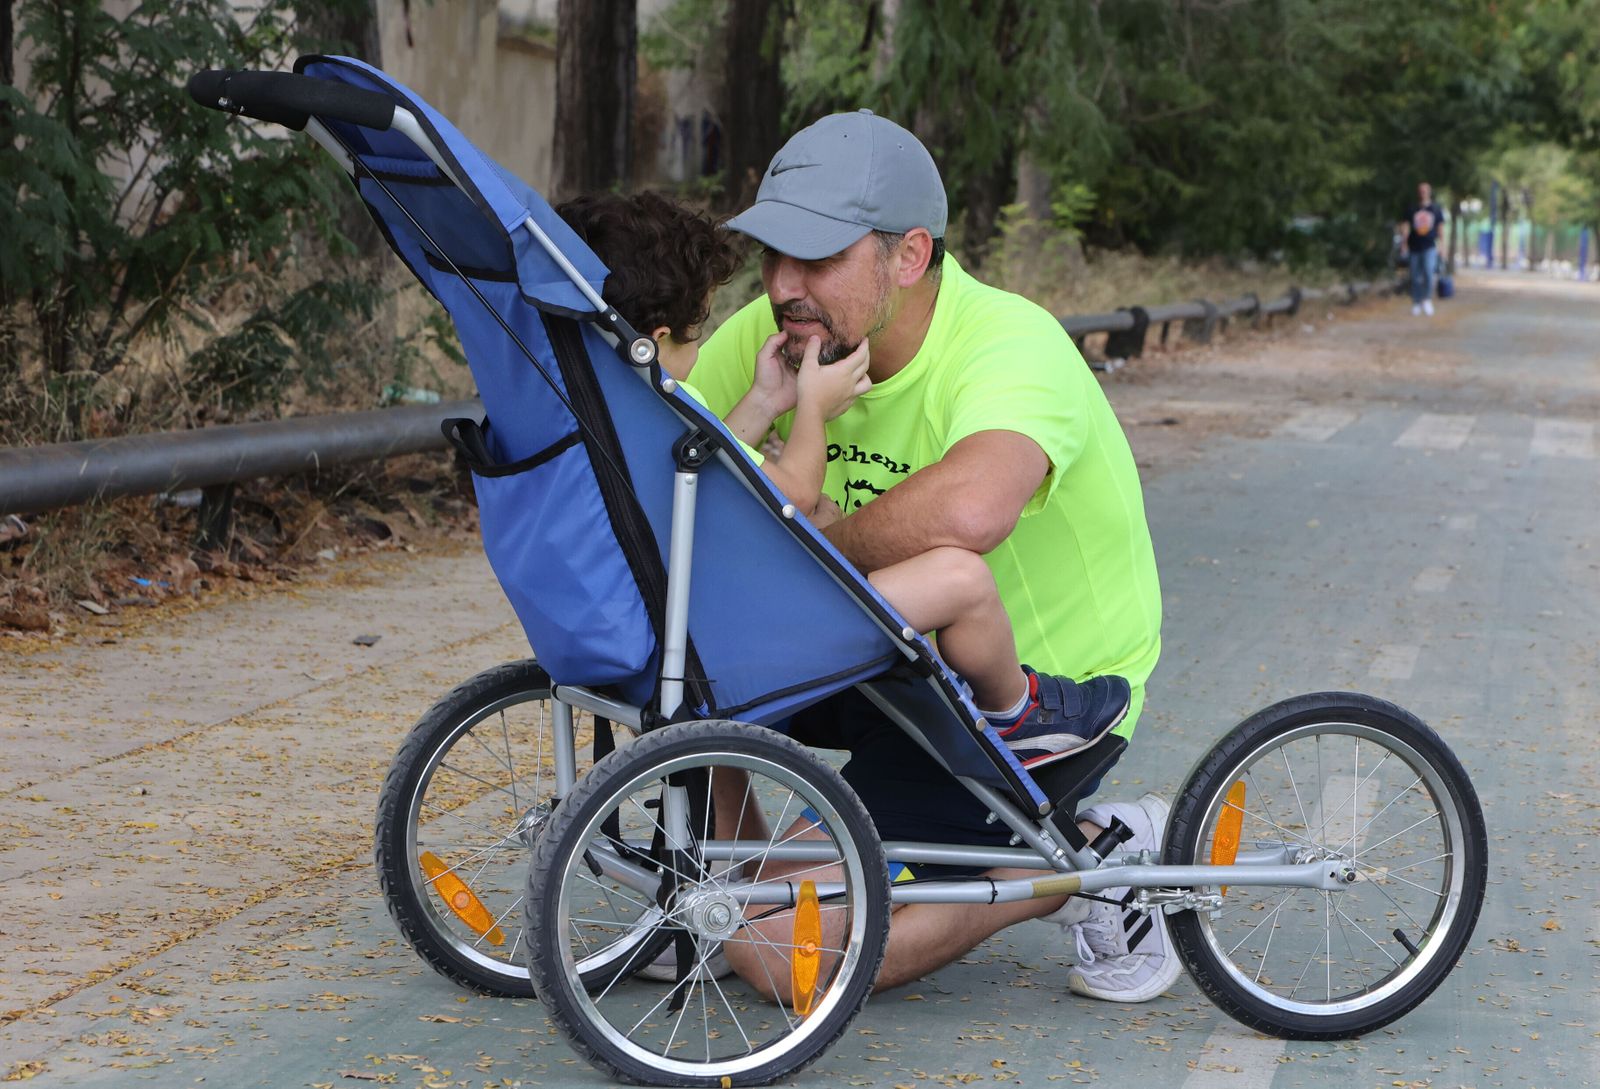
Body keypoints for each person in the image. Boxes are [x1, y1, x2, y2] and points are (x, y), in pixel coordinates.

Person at [681, 109, 1174, 1006]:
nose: (784, 286)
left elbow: (974, 507)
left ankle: (1088, 861)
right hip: (881, 652)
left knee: (796, 964)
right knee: (699, 680)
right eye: (772, 257)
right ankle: (721, 877)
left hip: (1022, 702)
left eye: (817, 260)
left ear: (909, 256)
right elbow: (674, 463)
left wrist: (813, 543)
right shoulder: (779, 336)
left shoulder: (1008, 342)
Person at [556, 191, 1132, 770]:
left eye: (816, 259)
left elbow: (700, 459)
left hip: (661, 628)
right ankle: (1016, 713)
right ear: (655, 340)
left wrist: (761, 401)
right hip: (731, 637)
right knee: (957, 575)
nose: (781, 289)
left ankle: (724, 843)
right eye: (695, 333)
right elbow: (797, 492)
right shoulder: (666, 405)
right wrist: (811, 407)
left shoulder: (598, 412)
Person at [1401, 182, 1447, 316]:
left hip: (1430, 246)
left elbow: (1440, 229)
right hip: (1414, 246)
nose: (1423, 193)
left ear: (1429, 192)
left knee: (1428, 273)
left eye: (1425, 191)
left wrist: (1442, 246)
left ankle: (1426, 300)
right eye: (1420, 191)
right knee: (1414, 276)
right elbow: (1406, 227)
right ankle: (1416, 302)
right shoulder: (1412, 209)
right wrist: (1404, 243)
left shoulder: (1435, 209)